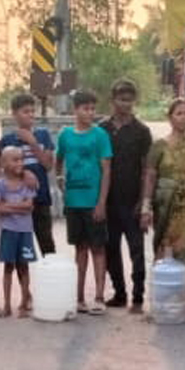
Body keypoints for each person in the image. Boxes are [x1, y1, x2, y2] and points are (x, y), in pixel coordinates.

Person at [139, 99, 185, 317]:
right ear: (170, 117)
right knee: (167, 251)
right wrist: (146, 208)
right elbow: (150, 177)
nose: (183, 117)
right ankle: (164, 299)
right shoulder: (159, 146)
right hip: (166, 208)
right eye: (178, 113)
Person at [56, 90, 113, 315]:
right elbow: (58, 160)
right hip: (73, 202)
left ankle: (98, 297)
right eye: (85, 108)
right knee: (80, 249)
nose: (90, 113)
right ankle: (78, 297)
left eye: (92, 108)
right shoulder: (65, 135)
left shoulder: (100, 135)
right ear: (75, 110)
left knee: (98, 248)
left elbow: (107, 171)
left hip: (93, 201)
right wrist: (60, 177)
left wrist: (101, 202)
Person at [101, 79, 153, 313]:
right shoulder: (102, 129)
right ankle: (119, 293)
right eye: (122, 99)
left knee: (137, 251)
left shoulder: (142, 131)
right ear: (113, 101)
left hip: (132, 201)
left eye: (130, 100)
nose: (126, 104)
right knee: (111, 249)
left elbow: (146, 170)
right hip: (108, 201)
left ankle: (138, 296)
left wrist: (144, 204)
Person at [0, 93, 56, 255]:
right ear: (14, 114)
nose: (30, 115)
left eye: (32, 111)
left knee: (46, 242)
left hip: (41, 197)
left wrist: (32, 142)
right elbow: (5, 169)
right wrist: (24, 174)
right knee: (21, 247)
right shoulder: (7, 140)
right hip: (17, 200)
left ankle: (50, 276)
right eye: (25, 111)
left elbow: (48, 165)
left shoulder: (43, 135)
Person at [0, 147, 39, 318]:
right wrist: (19, 207)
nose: (20, 163)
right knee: (8, 268)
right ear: (4, 163)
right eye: (15, 160)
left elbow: (30, 207)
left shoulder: (27, 182)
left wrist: (7, 207)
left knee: (24, 267)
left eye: (21, 159)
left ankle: (24, 304)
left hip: (25, 231)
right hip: (8, 231)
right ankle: (6, 306)